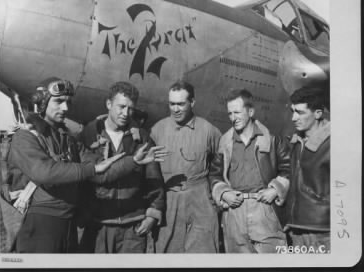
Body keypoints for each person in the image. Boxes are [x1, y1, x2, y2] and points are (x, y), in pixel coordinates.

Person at [7, 77, 128, 253]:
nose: (65, 108)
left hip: (68, 224)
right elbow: (44, 172)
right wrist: (92, 169)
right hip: (41, 223)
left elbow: (97, 164)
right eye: (58, 101)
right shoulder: (25, 137)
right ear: (42, 102)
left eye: (67, 102)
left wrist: (135, 160)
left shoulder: (67, 138)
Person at [78, 81, 166, 253]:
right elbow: (85, 178)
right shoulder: (89, 135)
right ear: (108, 104)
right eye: (121, 107)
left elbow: (154, 179)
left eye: (130, 108)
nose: (126, 113)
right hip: (98, 225)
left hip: (132, 228)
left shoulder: (141, 137)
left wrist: (152, 214)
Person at [210, 88, 290, 253]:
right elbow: (214, 174)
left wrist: (275, 190)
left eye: (237, 112)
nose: (233, 118)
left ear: (251, 112)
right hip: (234, 211)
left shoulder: (273, 140)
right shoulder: (224, 143)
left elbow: (288, 169)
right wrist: (224, 194)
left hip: (264, 209)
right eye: (230, 114)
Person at [150, 80, 221, 253]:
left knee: (203, 253)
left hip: (200, 200)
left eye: (181, 104)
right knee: (165, 253)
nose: (176, 109)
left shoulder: (209, 130)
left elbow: (221, 165)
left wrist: (216, 196)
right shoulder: (158, 129)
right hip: (168, 200)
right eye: (172, 104)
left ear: (192, 103)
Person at [284, 86, 330, 251]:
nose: (293, 118)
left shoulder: (334, 143)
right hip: (297, 229)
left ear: (318, 113)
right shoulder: (298, 142)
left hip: (323, 233)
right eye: (292, 111)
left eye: (300, 112)